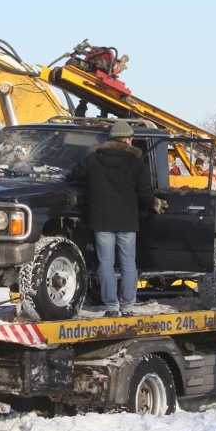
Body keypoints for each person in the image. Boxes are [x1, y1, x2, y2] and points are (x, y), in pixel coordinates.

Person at [71, 120, 160, 317]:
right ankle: (127, 307)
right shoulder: (135, 162)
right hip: (127, 220)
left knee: (106, 264)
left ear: (111, 140)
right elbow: (145, 192)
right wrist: (154, 203)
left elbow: (76, 174)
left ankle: (111, 306)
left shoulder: (94, 159)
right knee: (128, 264)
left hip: (102, 219)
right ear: (128, 139)